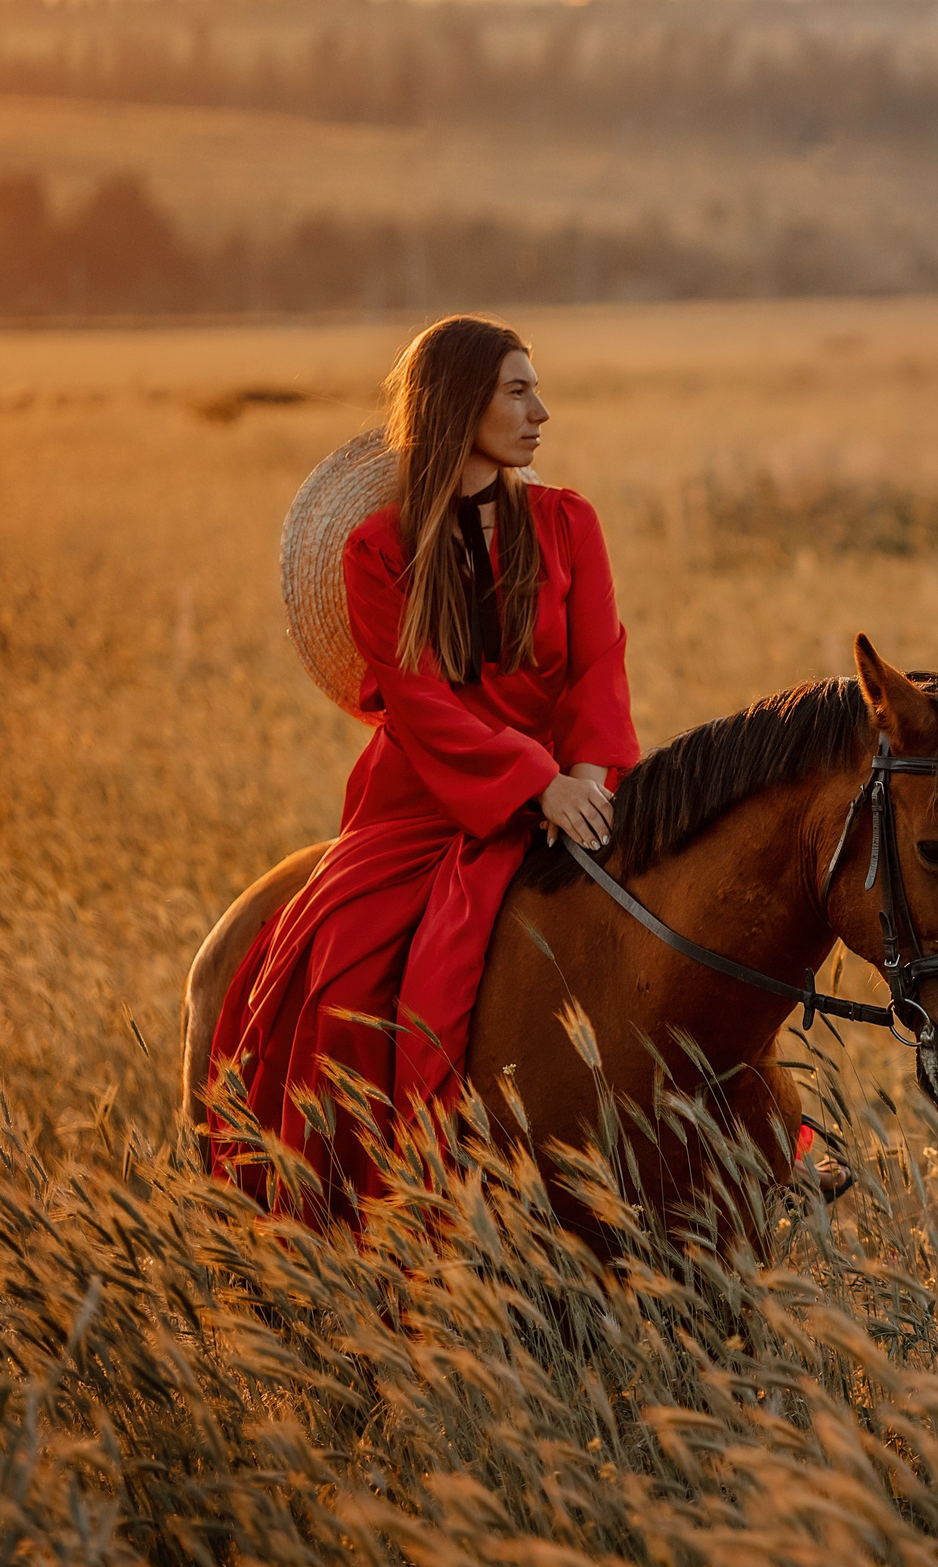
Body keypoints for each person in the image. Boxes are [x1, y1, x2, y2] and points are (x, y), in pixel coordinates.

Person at [207, 314, 639, 1229]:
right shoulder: (377, 551)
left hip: (579, 785)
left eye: (538, 389)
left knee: (680, 919)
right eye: (517, 391)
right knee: (349, 983)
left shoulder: (570, 524)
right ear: (458, 404)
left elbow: (600, 662)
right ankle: (376, 1203)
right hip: (431, 803)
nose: (541, 411)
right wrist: (535, 785)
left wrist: (590, 776)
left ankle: (764, 1142)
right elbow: (421, 705)